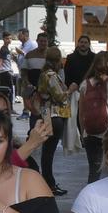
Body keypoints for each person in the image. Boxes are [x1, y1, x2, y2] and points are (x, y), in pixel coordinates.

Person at [76, 53, 108, 184]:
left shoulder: (84, 84)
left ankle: (91, 199)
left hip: (90, 133)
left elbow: (81, 113)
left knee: (94, 171)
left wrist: (83, 133)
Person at [36, 47, 73, 195]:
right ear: (57, 60)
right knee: (49, 151)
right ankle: (49, 183)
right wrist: (70, 90)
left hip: (47, 114)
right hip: (54, 115)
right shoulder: (51, 75)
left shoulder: (44, 73)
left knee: (47, 151)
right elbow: (60, 96)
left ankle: (48, 181)